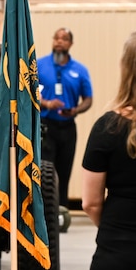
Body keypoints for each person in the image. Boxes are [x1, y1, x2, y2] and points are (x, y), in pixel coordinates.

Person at [81, 29, 136, 270]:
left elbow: (90, 203)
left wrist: (119, 231)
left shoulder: (107, 127)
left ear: (126, 69)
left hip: (119, 257)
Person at [38, 27, 93, 207]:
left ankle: (61, 212)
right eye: (57, 38)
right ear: (53, 40)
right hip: (46, 127)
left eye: (64, 39)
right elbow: (31, 93)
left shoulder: (80, 70)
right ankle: (45, 212)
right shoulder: (40, 65)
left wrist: (76, 110)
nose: (60, 41)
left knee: (64, 171)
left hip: (68, 127)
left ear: (70, 44)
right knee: (46, 171)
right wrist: (47, 103)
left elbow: (88, 99)